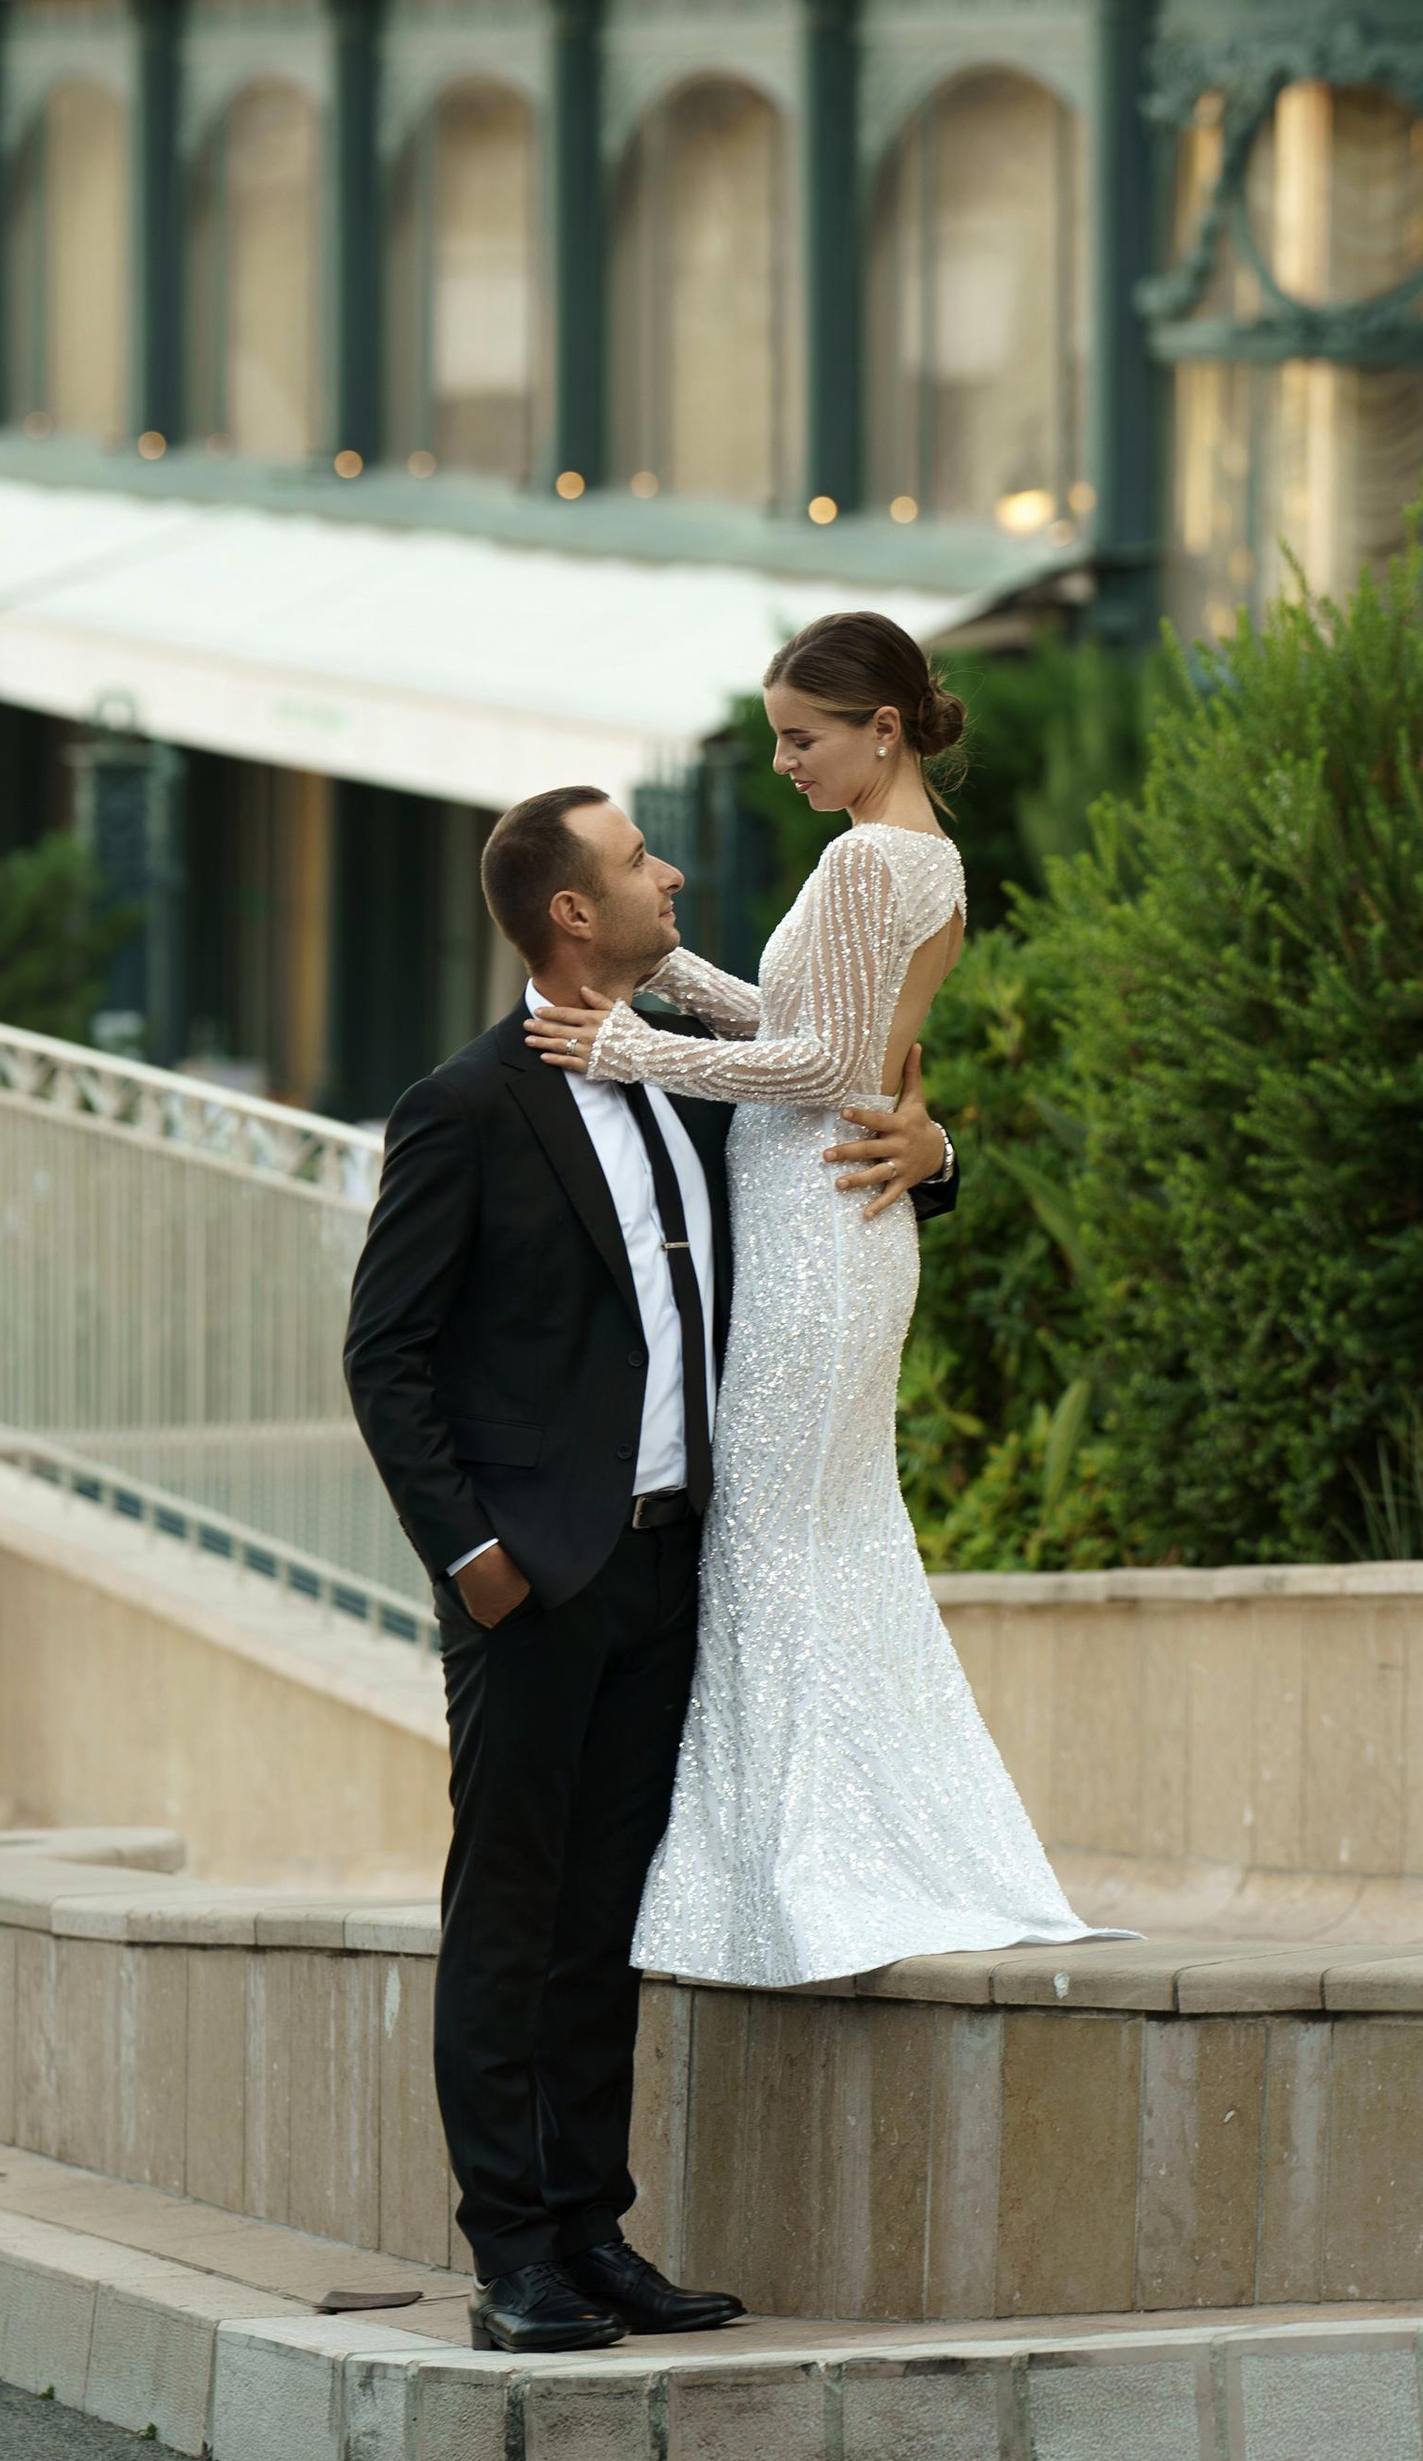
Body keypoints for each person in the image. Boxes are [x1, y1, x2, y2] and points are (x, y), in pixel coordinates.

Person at [342, 781, 958, 2356]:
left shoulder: (687, 1081)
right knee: (512, 1916)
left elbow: (837, 1102)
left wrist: (934, 1147)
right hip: (536, 1585)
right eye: (634, 861)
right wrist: (476, 1559)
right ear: (569, 911)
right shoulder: (464, 1108)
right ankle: (513, 2257)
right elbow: (387, 1357)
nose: (665, 875)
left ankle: (594, 2231)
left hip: (673, 1575)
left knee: (604, 1913)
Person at [527, 610, 1100, 1993]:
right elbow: (820, 1039)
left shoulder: (863, 864)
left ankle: (790, 1875)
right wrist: (670, 973)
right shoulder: (933, 866)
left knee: (778, 1545)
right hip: (842, 1229)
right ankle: (835, 1856)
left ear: (881, 729)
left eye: (802, 736)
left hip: (816, 1225)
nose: (783, 761)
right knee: (827, 1540)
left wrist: (626, 1042)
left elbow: (822, 1065)